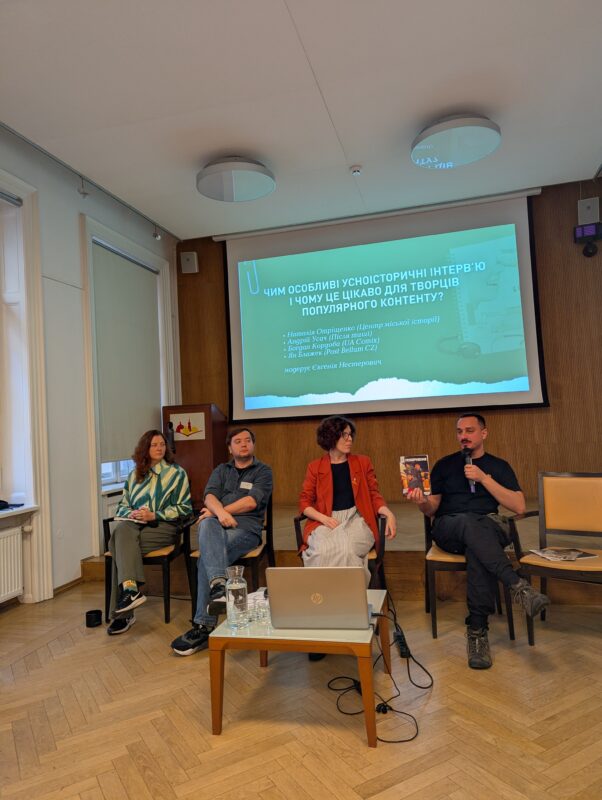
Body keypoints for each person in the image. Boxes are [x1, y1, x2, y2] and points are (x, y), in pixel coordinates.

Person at [407, 412, 550, 670]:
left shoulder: (498, 466)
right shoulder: (444, 465)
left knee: (477, 544)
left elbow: (518, 506)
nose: (463, 436)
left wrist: (484, 479)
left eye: (470, 430)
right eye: (460, 431)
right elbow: (431, 509)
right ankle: (517, 585)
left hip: (489, 527)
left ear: (484, 433)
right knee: (468, 523)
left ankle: (477, 631)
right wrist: (421, 502)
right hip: (450, 528)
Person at [171, 427, 272, 656]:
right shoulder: (221, 470)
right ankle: (219, 587)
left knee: (205, 557)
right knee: (207, 524)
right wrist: (219, 514)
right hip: (216, 528)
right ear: (230, 448)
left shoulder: (263, 471)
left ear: (253, 444)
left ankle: (203, 626)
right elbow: (209, 497)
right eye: (238, 441)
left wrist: (221, 512)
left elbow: (250, 502)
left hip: (245, 530)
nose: (243, 444)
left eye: (248, 440)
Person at [108, 429, 192, 635]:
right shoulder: (134, 475)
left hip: (163, 526)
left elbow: (185, 508)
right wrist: (132, 513)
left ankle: (123, 613)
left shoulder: (176, 473)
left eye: (162, 444)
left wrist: (154, 515)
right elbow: (122, 506)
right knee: (122, 530)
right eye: (154, 445)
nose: (159, 448)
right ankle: (130, 592)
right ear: (144, 448)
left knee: (119, 546)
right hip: (135, 526)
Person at [299, 415, 397, 581]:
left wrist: (388, 513)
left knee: (347, 550)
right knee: (322, 551)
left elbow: (374, 494)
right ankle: (323, 594)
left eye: (350, 434)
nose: (350, 439)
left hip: (358, 518)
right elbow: (304, 502)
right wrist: (323, 518)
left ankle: (351, 595)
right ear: (331, 437)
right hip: (325, 520)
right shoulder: (315, 467)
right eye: (344, 435)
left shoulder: (363, 462)